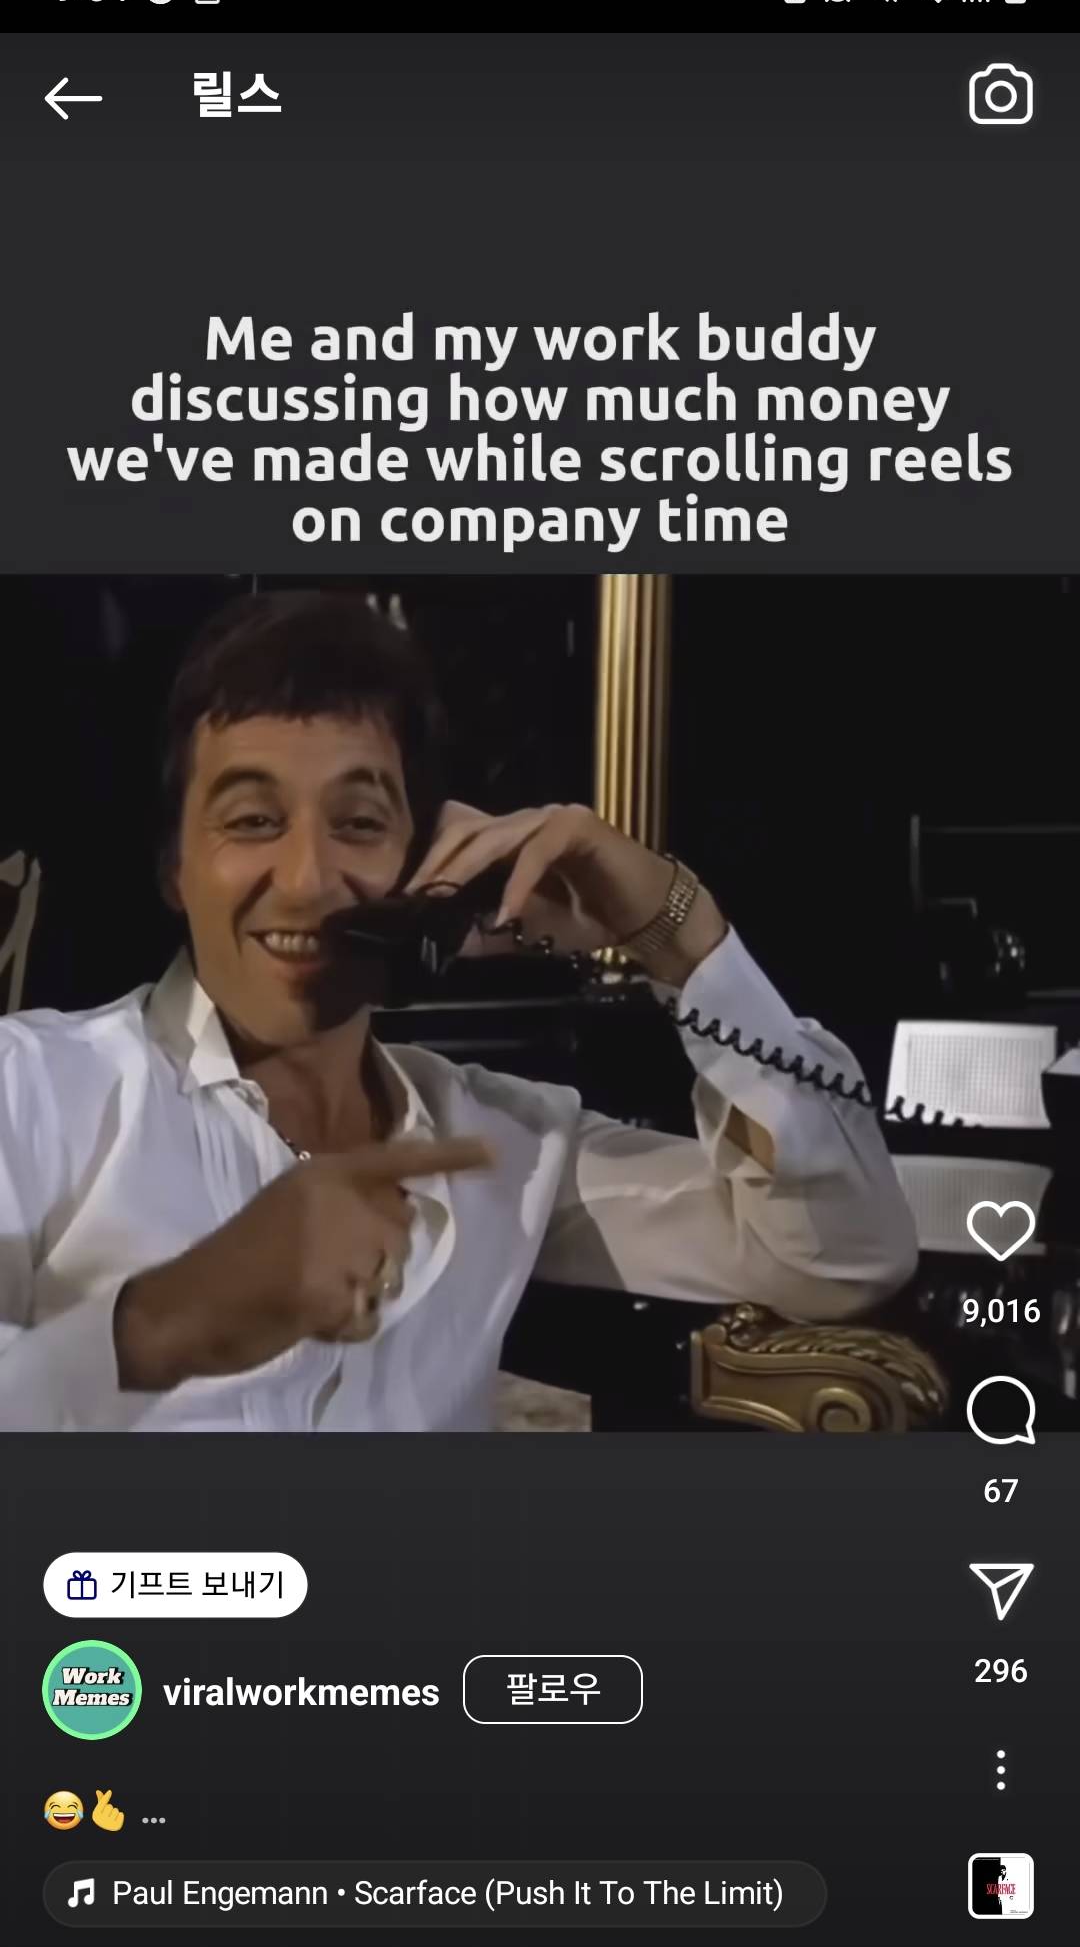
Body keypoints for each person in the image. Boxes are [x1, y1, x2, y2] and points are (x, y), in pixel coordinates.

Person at [0, 589, 917, 1431]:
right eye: (252, 821)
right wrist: (163, 1323)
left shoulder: (503, 1143)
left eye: (360, 823)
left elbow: (841, 1257)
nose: (309, 880)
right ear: (174, 866)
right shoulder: (30, 1090)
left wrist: (677, 933)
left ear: (427, 865)